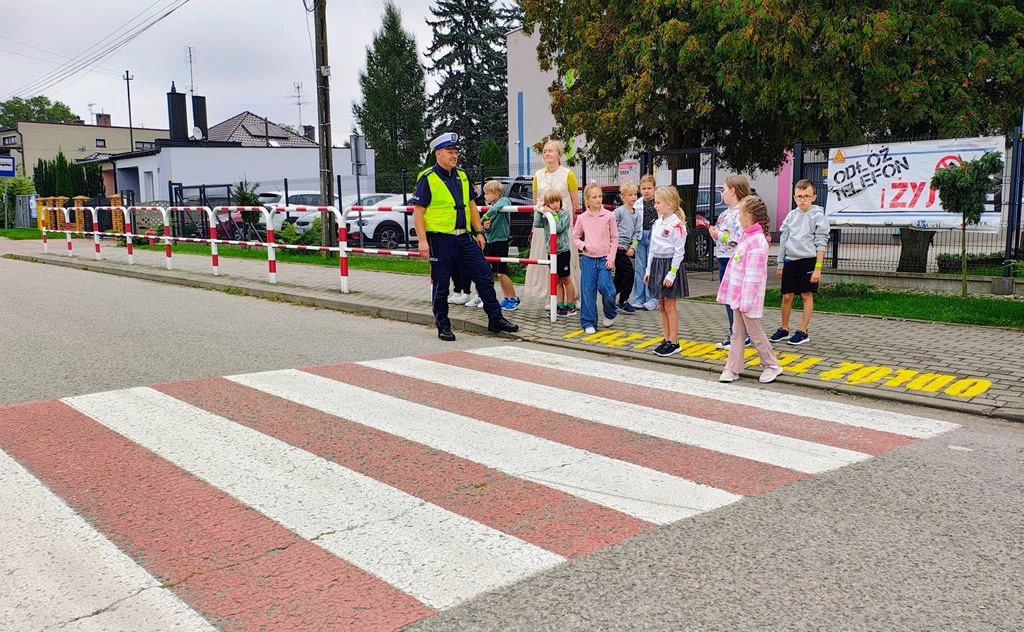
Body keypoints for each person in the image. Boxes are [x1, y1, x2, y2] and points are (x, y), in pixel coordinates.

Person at [411, 132, 518, 341]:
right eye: (450, 152)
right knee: (441, 284)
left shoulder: (461, 175)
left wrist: (479, 232)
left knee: (484, 275)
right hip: (440, 240)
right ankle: (443, 326)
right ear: (438, 153)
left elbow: (471, 205)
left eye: (456, 152)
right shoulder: (428, 178)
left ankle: (495, 319)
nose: (454, 156)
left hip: (464, 238)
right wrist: (422, 241)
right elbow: (418, 211)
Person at [717, 195, 784, 384]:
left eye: (740, 213)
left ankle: (771, 364)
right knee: (737, 333)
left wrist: (746, 301)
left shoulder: (757, 241)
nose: (737, 216)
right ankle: (733, 367)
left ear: (749, 216)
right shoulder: (748, 237)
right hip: (739, 296)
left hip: (747, 299)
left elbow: (753, 276)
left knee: (755, 333)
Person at [769, 179, 829, 346]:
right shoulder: (791, 216)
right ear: (794, 197)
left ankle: (803, 330)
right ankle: (784, 328)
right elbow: (783, 240)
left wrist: (818, 269)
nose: (802, 200)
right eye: (799, 196)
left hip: (808, 261)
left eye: (806, 196)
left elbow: (821, 244)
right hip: (790, 261)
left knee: (805, 295)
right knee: (787, 296)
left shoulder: (819, 217)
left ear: (814, 197)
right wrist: (780, 264)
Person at [526, 139, 581, 303]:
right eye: (544, 151)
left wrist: (563, 218)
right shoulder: (538, 175)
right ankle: (552, 297)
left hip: (563, 226)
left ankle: (573, 296)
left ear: (559, 154)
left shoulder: (568, 174)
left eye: (550, 150)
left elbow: (574, 201)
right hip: (544, 225)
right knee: (546, 259)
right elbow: (536, 201)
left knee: (567, 259)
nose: (547, 153)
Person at [644, 186, 689, 357]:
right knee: (661, 304)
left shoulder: (678, 225)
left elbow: (679, 252)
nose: (655, 205)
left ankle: (674, 341)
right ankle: (665, 338)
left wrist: (672, 273)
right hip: (657, 264)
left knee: (670, 304)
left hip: (670, 265)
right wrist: (648, 270)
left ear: (669, 204)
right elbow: (652, 249)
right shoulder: (657, 223)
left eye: (658, 202)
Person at [708, 175, 752, 349]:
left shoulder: (742, 212)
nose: (723, 193)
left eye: (725, 189)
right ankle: (735, 332)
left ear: (733, 191)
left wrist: (719, 235)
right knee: (728, 298)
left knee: (734, 299)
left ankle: (741, 334)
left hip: (734, 258)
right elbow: (723, 236)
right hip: (724, 257)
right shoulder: (726, 213)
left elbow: (740, 238)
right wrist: (715, 234)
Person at [572, 183, 619, 334]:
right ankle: (588, 322)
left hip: (605, 258)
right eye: (594, 197)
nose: (598, 199)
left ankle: (610, 312)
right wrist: (584, 246)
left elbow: (614, 238)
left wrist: (611, 258)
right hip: (588, 259)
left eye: (600, 196)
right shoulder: (582, 218)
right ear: (587, 199)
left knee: (607, 288)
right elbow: (575, 238)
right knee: (587, 291)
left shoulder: (609, 216)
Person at [479, 179, 520, 311]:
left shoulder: (503, 202)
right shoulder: (492, 208)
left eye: (487, 193)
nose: (484, 196)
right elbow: (488, 228)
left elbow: (496, 209)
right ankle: (506, 297)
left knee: (502, 272)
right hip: (491, 241)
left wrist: (484, 217)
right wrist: (486, 227)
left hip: (500, 241)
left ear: (496, 194)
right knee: (497, 273)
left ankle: (513, 297)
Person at [534, 189, 576, 316]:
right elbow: (537, 224)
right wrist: (539, 210)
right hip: (551, 252)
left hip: (562, 251)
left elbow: (558, 227)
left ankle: (571, 305)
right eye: (551, 202)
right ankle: (559, 305)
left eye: (557, 201)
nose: (555, 204)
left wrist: (552, 213)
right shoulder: (547, 215)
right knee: (556, 279)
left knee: (565, 279)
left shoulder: (564, 214)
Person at [612, 182, 641, 314]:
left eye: (635, 194)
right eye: (630, 195)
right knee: (629, 272)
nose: (634, 197)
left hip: (627, 248)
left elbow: (637, 232)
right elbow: (611, 228)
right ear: (623, 197)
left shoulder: (637, 214)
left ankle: (610, 296)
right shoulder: (618, 212)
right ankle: (623, 300)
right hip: (618, 248)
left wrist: (633, 247)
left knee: (620, 275)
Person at [631, 174, 659, 310]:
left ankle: (652, 298)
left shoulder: (659, 202)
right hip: (641, 236)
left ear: (654, 188)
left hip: (654, 237)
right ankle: (638, 298)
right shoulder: (638, 203)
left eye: (649, 188)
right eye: (643, 188)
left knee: (651, 267)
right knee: (640, 268)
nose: (646, 191)